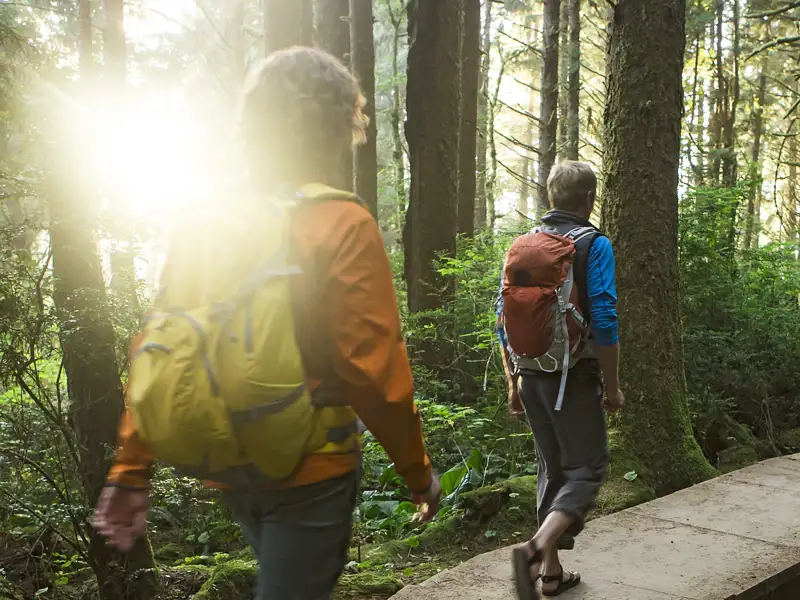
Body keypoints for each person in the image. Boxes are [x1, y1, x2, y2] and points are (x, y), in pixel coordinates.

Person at [93, 47, 441, 600]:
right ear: (339, 127)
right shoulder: (342, 222)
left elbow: (160, 345)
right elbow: (370, 370)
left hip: (227, 458)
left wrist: (130, 470)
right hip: (312, 467)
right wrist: (417, 471)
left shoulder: (206, 220)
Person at [497, 161, 623, 598]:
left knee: (552, 468)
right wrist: (613, 383)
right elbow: (604, 316)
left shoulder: (524, 245)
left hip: (530, 373)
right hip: (574, 375)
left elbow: (502, 317)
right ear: (588, 199)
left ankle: (551, 575)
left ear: (552, 198)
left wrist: (513, 382)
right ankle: (536, 548)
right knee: (587, 469)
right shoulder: (593, 244)